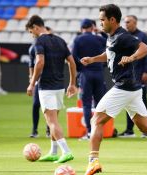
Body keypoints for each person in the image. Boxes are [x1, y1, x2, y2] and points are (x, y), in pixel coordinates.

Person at [80, 4, 147, 175]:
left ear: (112, 20)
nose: (100, 23)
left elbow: (145, 48)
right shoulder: (111, 37)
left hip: (123, 87)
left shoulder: (123, 36)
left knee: (96, 121)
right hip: (133, 89)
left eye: (102, 20)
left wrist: (131, 57)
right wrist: (93, 59)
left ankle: (93, 161)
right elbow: (110, 55)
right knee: (146, 127)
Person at [25, 15, 77, 163]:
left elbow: (40, 62)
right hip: (60, 86)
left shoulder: (39, 41)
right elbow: (72, 62)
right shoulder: (60, 40)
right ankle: (54, 152)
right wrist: (72, 83)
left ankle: (66, 151)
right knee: (54, 121)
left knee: (52, 122)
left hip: (46, 87)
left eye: (31, 31)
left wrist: (31, 83)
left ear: (35, 27)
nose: (32, 34)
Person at [118, 15, 147, 138]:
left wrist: (146, 71)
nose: (126, 24)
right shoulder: (125, 37)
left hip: (139, 73)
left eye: (128, 22)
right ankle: (129, 130)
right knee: (128, 102)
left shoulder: (143, 36)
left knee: (142, 102)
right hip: (128, 74)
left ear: (135, 22)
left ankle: (146, 130)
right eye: (125, 22)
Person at [72, 19, 107, 140]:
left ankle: (89, 132)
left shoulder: (78, 39)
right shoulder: (98, 39)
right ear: (92, 27)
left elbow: (73, 57)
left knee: (86, 104)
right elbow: (110, 44)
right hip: (98, 73)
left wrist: (80, 68)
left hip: (85, 74)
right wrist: (101, 33)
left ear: (81, 28)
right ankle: (99, 130)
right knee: (99, 104)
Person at [27, 26, 52, 138]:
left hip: (51, 80)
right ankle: (34, 130)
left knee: (50, 106)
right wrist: (32, 80)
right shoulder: (33, 48)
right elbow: (31, 65)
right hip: (39, 80)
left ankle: (49, 129)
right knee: (36, 104)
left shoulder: (53, 47)